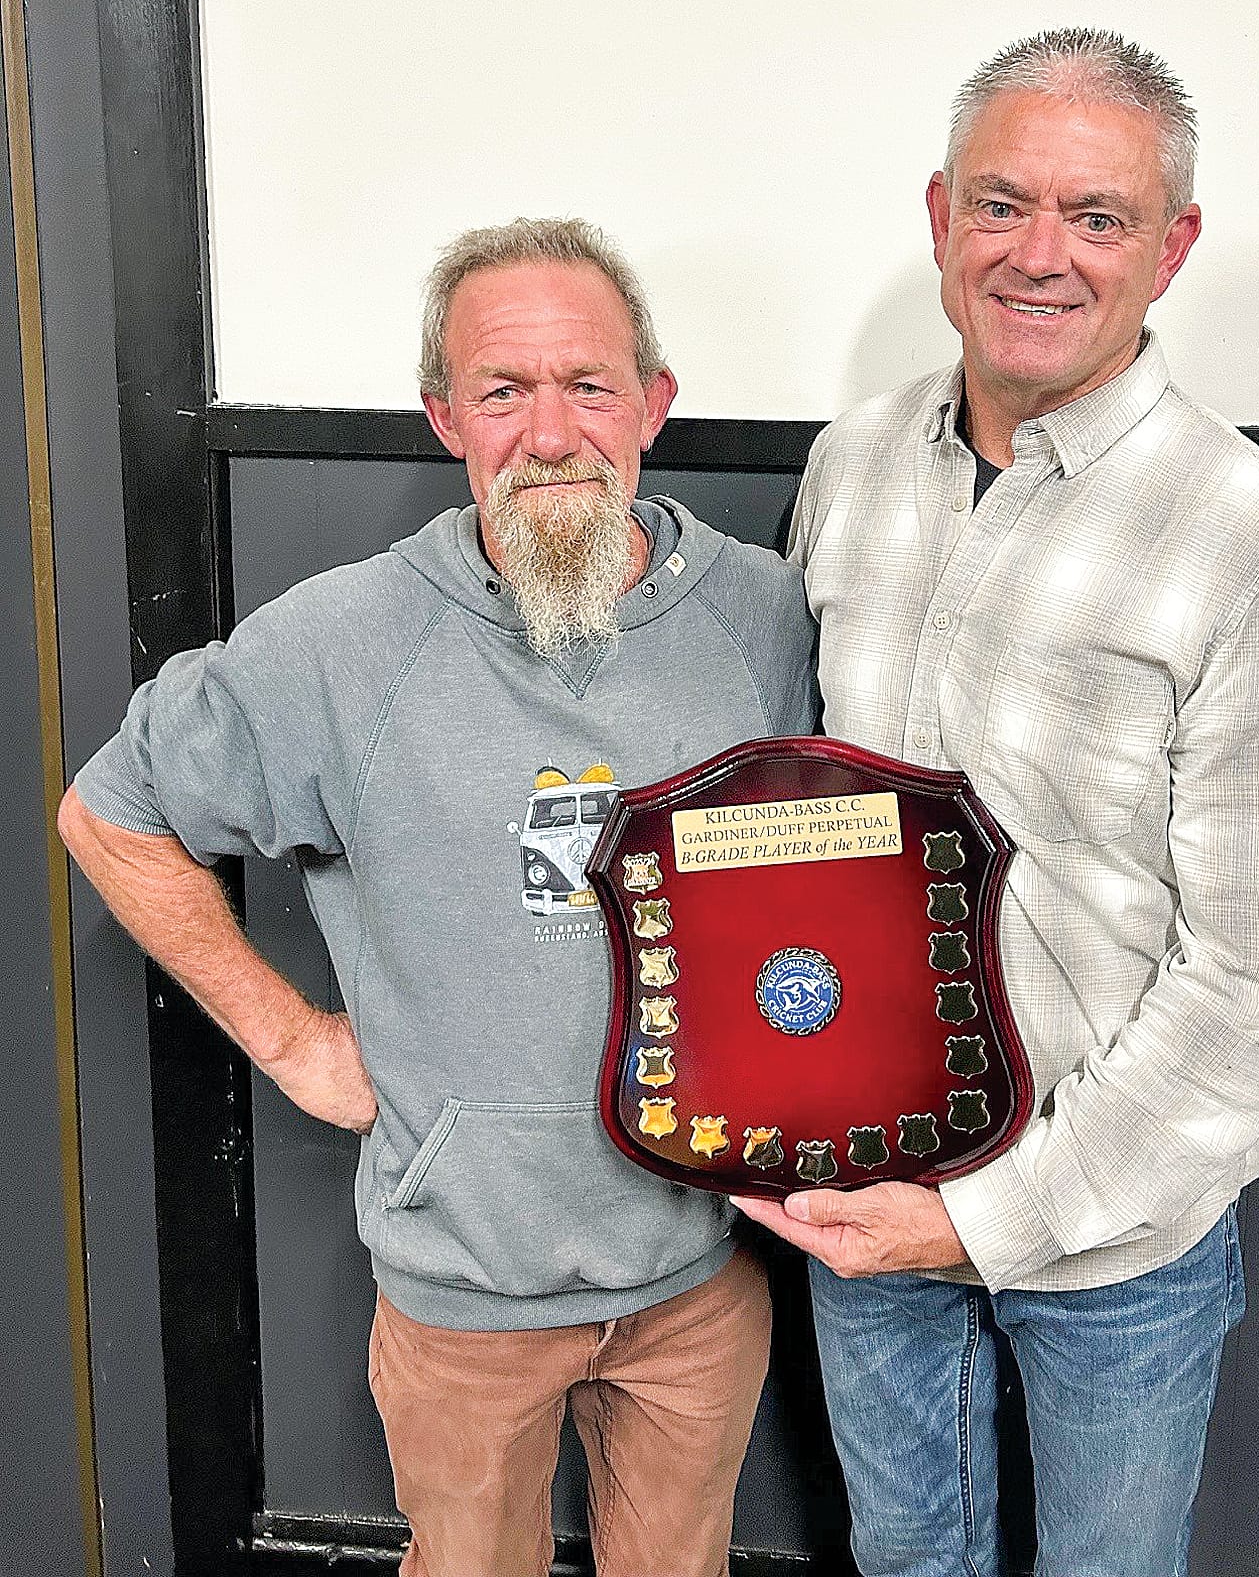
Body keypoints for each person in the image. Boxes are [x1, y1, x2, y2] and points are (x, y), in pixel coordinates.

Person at [60, 217, 818, 1577]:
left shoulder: (763, 618)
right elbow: (109, 812)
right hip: (464, 1289)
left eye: (588, 385)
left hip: (706, 1271)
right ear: (442, 417)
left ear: (653, 403)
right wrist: (292, 1039)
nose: (549, 432)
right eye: (501, 391)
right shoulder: (345, 642)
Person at [737, 29, 1259, 1577]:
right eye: (1002, 203)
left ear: (1172, 247)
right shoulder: (856, 464)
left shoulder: (1253, 536)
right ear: (939, 216)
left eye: (1098, 217)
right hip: (866, 1191)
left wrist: (994, 1217)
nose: (1040, 255)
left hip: (1114, 1232)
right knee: (903, 1560)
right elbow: (799, 824)